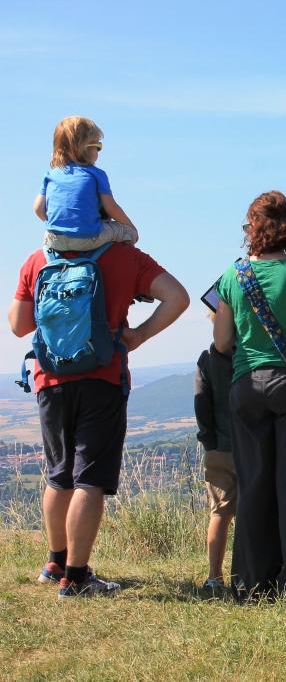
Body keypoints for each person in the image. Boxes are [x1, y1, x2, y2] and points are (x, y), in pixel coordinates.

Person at [9, 243, 188, 598]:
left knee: (59, 475)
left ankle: (55, 564)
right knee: (89, 479)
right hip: (103, 376)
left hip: (50, 378)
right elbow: (177, 298)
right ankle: (76, 579)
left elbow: (18, 325)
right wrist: (137, 335)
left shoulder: (40, 257)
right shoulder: (124, 255)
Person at [214, 191, 286, 598]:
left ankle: (251, 580)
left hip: (245, 387)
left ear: (253, 230)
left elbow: (223, 341)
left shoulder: (233, 276)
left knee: (253, 481)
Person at [33, 116, 139, 251]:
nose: (99, 151)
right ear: (85, 149)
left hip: (55, 241)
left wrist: (62, 225)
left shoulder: (51, 174)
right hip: (88, 239)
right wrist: (130, 226)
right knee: (123, 230)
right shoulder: (96, 174)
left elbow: (38, 209)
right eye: (97, 146)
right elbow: (110, 207)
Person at [194, 312, 237, 589]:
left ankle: (214, 576)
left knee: (220, 513)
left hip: (219, 447)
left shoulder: (206, 360)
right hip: (252, 446)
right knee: (254, 512)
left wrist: (208, 439)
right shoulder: (252, 356)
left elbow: (201, 405)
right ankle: (248, 572)